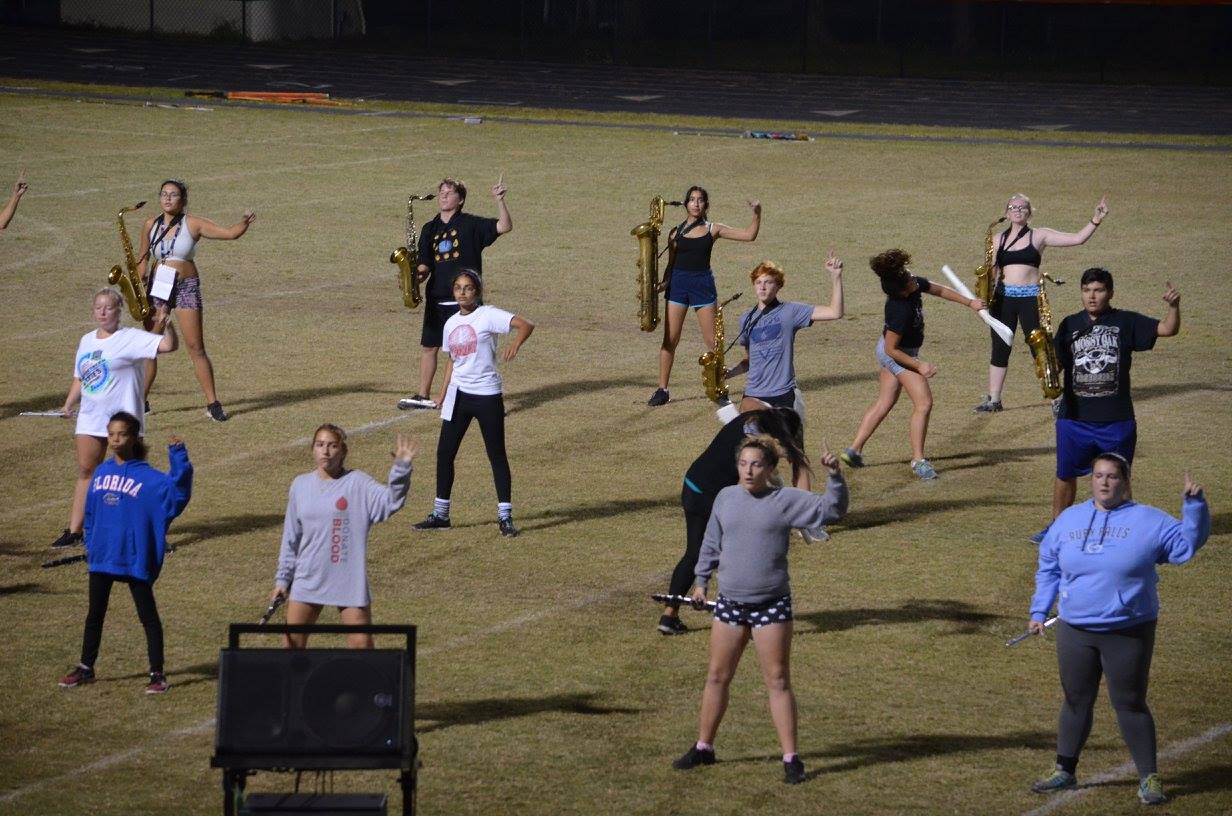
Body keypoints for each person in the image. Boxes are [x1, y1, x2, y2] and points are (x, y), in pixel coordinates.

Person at [1026, 453, 1209, 806]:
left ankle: (1149, 777)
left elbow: (1186, 546)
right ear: (1091, 480)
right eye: (1098, 476)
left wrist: (1194, 507)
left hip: (1127, 630)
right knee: (1076, 700)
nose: (1104, 482)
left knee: (1129, 702)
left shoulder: (1150, 520)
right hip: (1076, 630)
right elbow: (1049, 566)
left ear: (1125, 482)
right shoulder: (1069, 519)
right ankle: (1064, 769)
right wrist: (1039, 609)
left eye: (1112, 476)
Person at [673, 435, 848, 785]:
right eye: (743, 464)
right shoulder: (726, 497)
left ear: (770, 468)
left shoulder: (785, 500)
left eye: (756, 464)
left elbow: (831, 510)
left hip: (771, 605)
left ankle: (791, 758)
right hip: (729, 603)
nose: (748, 471)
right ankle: (704, 747)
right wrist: (701, 583)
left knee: (778, 680)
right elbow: (711, 542)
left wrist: (835, 477)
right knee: (717, 676)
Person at [1031, 268, 1181, 543]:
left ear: (1110, 293)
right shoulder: (1069, 324)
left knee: (1118, 478)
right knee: (1065, 473)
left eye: (1098, 290)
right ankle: (1056, 528)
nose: (1092, 296)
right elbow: (1057, 365)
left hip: (1116, 420)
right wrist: (1044, 357)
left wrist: (1173, 307)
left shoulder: (1126, 321)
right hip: (1074, 419)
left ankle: (1121, 531)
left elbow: (1168, 329)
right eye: (1086, 290)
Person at [58, 412, 193, 694]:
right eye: (111, 434)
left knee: (148, 617)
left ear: (134, 438)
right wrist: (91, 543)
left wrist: (178, 456)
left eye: (121, 434)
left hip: (133, 559)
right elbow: (91, 512)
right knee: (94, 614)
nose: (115, 439)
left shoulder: (149, 479)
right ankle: (86, 667)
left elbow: (176, 495)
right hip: (103, 557)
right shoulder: (101, 473)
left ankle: (157, 674)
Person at [658, 406, 813, 636]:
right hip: (712, 496)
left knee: (694, 553)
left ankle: (669, 616)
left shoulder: (749, 419)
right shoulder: (757, 448)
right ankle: (744, 613)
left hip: (692, 484)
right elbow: (749, 486)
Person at [839, 249, 983, 480]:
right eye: (908, 280)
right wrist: (919, 365)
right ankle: (918, 461)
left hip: (898, 352)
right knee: (924, 403)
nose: (913, 279)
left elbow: (938, 289)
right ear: (902, 291)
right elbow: (891, 349)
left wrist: (969, 302)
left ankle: (853, 451)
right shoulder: (899, 310)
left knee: (885, 401)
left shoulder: (911, 284)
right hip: (897, 355)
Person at [411, 269, 534, 537]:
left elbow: (526, 325)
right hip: (459, 395)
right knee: (445, 453)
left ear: (477, 292)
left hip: (487, 395)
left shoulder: (488, 315)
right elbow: (452, 361)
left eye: (468, 288)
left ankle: (505, 517)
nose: (462, 293)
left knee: (496, 454)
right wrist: (443, 394)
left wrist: (515, 344)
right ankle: (441, 515)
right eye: (458, 288)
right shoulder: (450, 323)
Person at [52, 289, 178, 550]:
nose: (102, 312)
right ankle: (75, 531)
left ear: (119, 311)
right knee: (86, 472)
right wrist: (68, 403)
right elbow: (80, 377)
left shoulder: (130, 338)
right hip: (90, 418)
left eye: (108, 307)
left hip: (124, 422)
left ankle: (148, 531)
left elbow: (168, 345)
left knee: (131, 477)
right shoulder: (86, 341)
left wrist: (167, 324)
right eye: (98, 307)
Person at [271, 424, 417, 649]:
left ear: (343, 451)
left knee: (362, 647)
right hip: (308, 579)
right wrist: (283, 580)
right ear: (312, 448)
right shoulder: (300, 486)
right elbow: (291, 538)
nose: (325, 451)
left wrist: (401, 469)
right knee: (291, 647)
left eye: (332, 446)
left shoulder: (358, 483)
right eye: (320, 445)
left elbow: (390, 502)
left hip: (348, 580)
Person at [975, 194, 1110, 412]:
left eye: (1022, 207)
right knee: (999, 348)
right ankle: (994, 400)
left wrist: (1096, 220)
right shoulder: (998, 239)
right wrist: (984, 298)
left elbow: (1077, 238)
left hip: (1030, 299)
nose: (1017, 210)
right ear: (1007, 213)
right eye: (1013, 207)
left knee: (1041, 349)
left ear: (1029, 212)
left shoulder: (1039, 235)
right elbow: (992, 272)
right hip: (1003, 300)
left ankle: (1056, 400)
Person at [138, 178, 256, 422]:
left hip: (185, 286)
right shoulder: (150, 224)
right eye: (164, 194)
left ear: (183, 201)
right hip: (158, 289)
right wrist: (140, 276)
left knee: (196, 347)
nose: (167, 198)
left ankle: (213, 404)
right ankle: (141, 403)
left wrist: (244, 223)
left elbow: (230, 234)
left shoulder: (193, 223)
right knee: (150, 346)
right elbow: (142, 257)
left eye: (173, 194)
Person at [398, 176, 512, 410]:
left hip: (464, 302)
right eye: (441, 192)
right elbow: (425, 265)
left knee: (460, 352)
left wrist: (499, 201)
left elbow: (504, 226)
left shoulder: (471, 224)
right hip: (437, 298)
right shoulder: (430, 228)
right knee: (429, 347)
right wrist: (412, 276)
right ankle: (422, 394)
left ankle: (459, 394)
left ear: (460, 200)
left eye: (449, 193)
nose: (443, 195)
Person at [647, 186, 761, 406]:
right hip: (678, 287)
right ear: (686, 204)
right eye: (692, 199)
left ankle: (718, 388)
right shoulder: (675, 232)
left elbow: (749, 235)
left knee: (713, 342)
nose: (696, 203)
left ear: (706, 205)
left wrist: (757, 213)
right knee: (670, 340)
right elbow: (671, 265)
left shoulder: (712, 229)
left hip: (702, 286)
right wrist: (663, 284)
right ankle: (662, 390)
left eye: (700, 200)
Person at [726, 253, 844, 416]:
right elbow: (751, 360)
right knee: (747, 432)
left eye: (768, 282)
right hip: (753, 393)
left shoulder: (790, 312)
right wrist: (731, 372)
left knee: (780, 433)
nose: (762, 287)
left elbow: (835, 312)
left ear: (778, 286)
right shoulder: (746, 319)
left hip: (782, 393)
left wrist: (836, 277)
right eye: (758, 282)